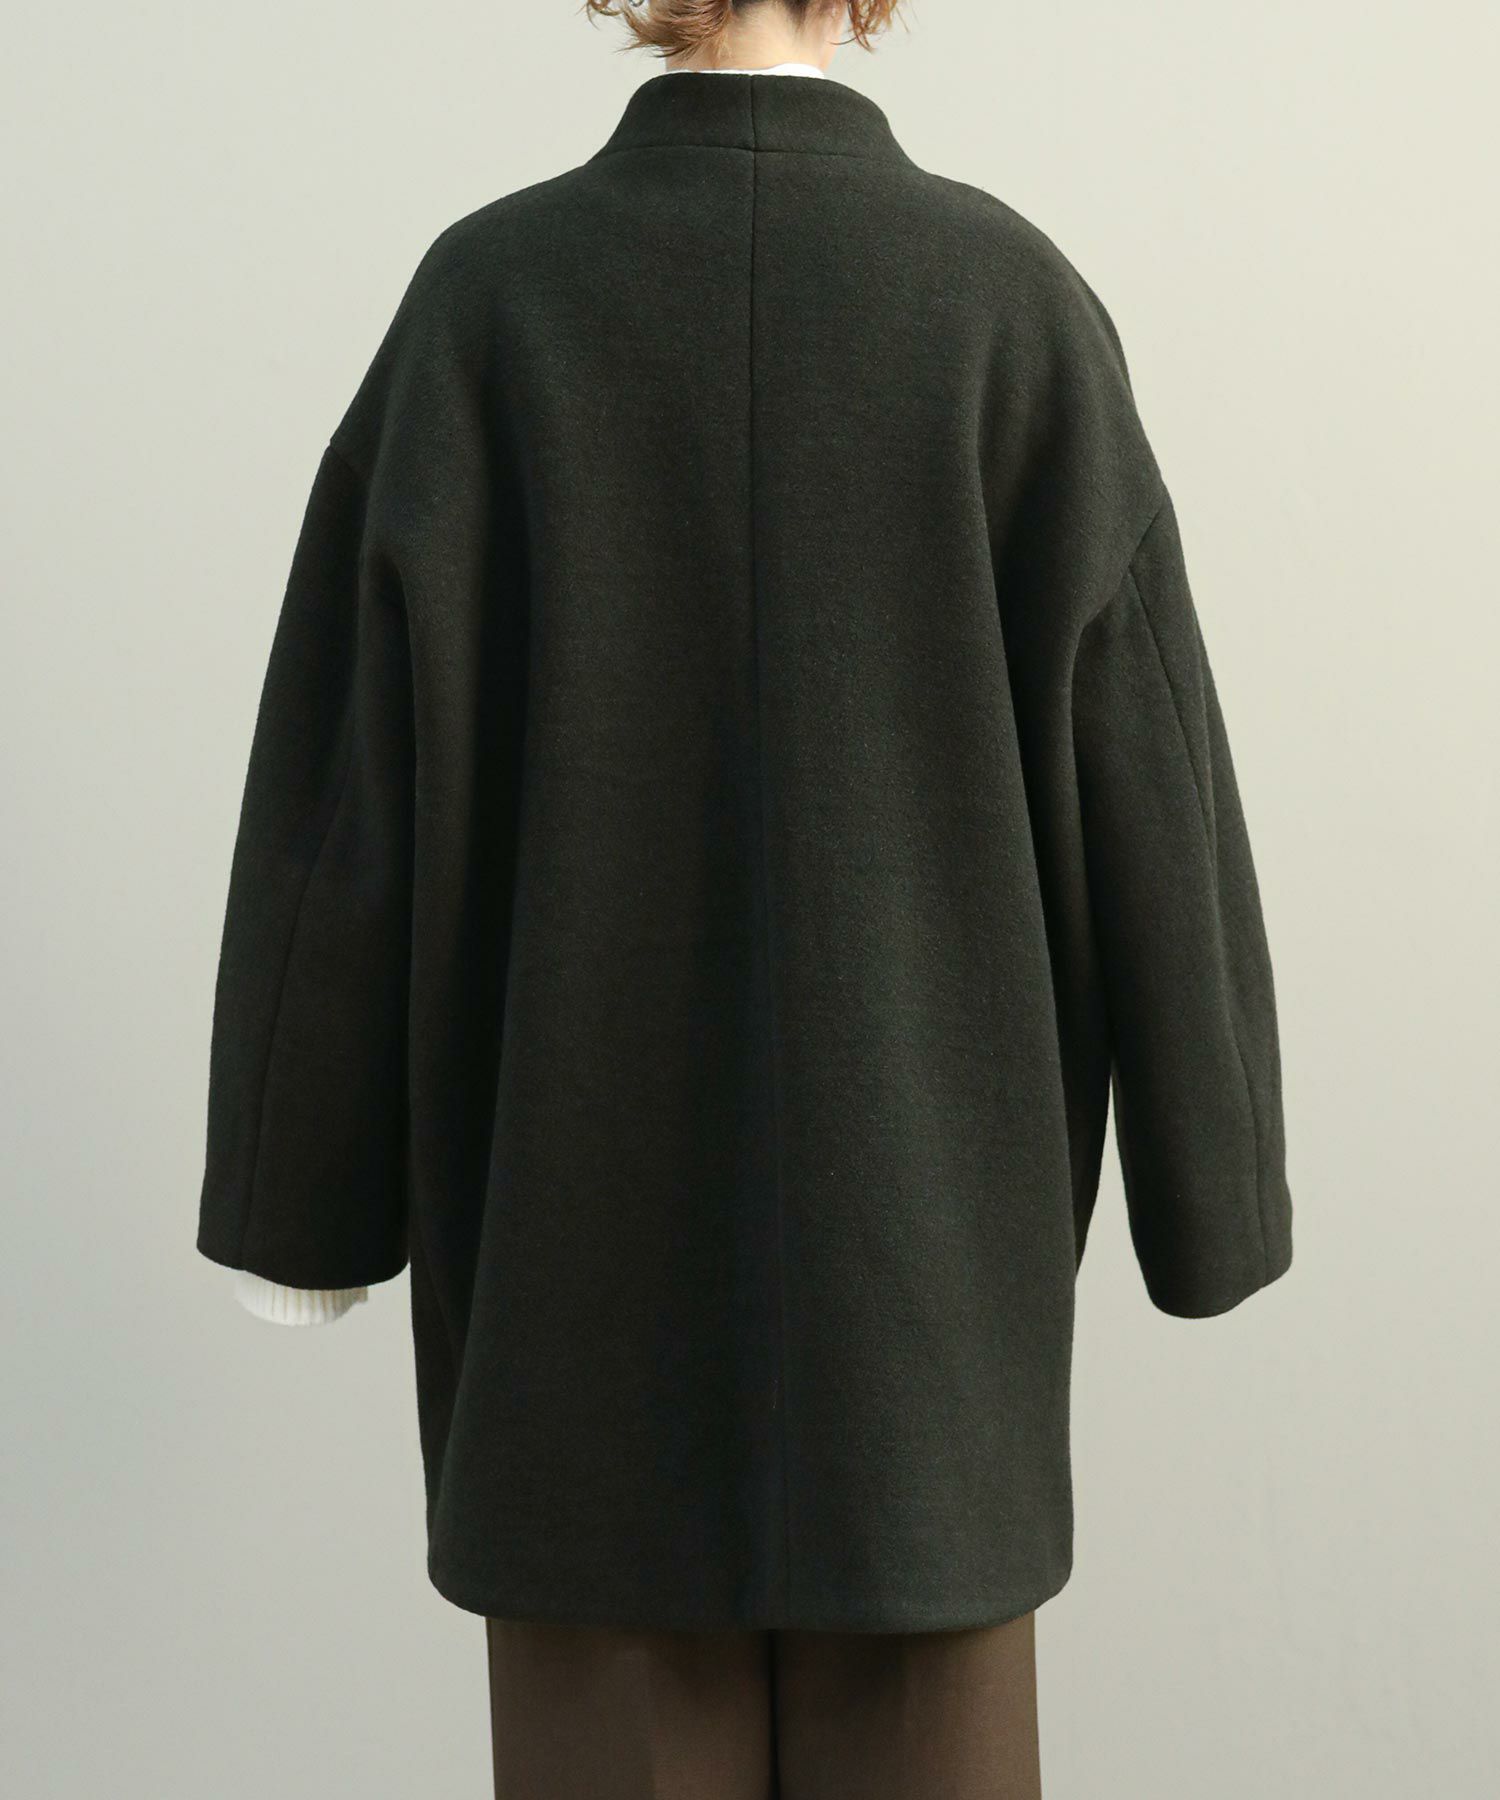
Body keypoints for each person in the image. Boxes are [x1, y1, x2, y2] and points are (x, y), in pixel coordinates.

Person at [194, 1, 1294, 1793]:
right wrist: (1214, 1192)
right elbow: (1153, 779)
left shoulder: (489, 309)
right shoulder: (1009, 310)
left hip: (573, 1333)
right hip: (927, 1362)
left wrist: (297, 1204)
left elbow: (343, 809)